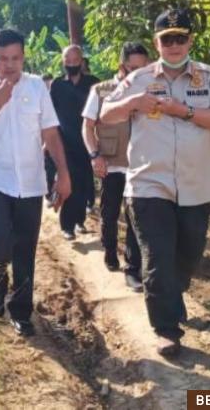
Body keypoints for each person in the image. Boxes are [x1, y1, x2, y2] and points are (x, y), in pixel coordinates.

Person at [100, 8, 210, 356]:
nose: (174, 45)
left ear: (190, 40)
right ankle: (167, 330)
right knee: (157, 257)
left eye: (180, 38)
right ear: (156, 42)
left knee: (188, 254)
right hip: (149, 184)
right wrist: (132, 102)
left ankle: (173, 297)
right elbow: (105, 114)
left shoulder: (208, 77)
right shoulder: (140, 78)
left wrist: (183, 111)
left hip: (196, 184)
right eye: (166, 39)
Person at [0, 28, 71, 337]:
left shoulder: (37, 87)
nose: (10, 65)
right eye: (3, 59)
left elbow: (50, 133)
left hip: (31, 181)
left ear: (23, 56)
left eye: (15, 58)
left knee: (25, 248)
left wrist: (63, 173)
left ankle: (21, 311)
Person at [82, 42, 149, 291]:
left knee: (135, 219)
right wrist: (94, 155)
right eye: (133, 68)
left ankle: (132, 270)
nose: (138, 74)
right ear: (122, 66)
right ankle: (110, 250)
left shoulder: (151, 91)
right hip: (110, 166)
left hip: (140, 167)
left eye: (144, 68)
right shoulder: (101, 91)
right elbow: (87, 127)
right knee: (109, 215)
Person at [50, 45, 99, 240]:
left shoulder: (93, 84)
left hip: (88, 141)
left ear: (82, 61)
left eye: (74, 61)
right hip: (65, 142)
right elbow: (50, 114)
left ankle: (79, 221)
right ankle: (67, 226)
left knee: (85, 183)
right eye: (67, 61)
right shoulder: (57, 85)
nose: (71, 64)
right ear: (63, 62)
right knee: (70, 182)